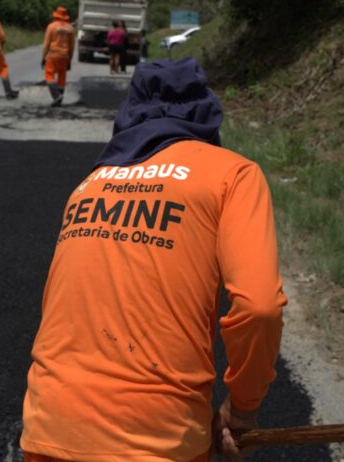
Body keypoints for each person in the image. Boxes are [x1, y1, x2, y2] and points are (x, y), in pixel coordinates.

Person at [21, 57, 287, 462]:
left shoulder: (90, 184)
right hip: (157, 438)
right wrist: (244, 406)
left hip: (51, 425)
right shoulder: (232, 175)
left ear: (129, 112)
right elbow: (260, 307)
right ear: (208, 111)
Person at [41, 6, 75, 107]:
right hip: (65, 55)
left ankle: (56, 96)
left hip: (53, 54)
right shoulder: (70, 28)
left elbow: (46, 44)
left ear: (56, 15)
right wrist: (69, 59)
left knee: (49, 74)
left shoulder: (51, 26)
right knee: (62, 75)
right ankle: (60, 96)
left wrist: (43, 57)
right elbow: (72, 46)